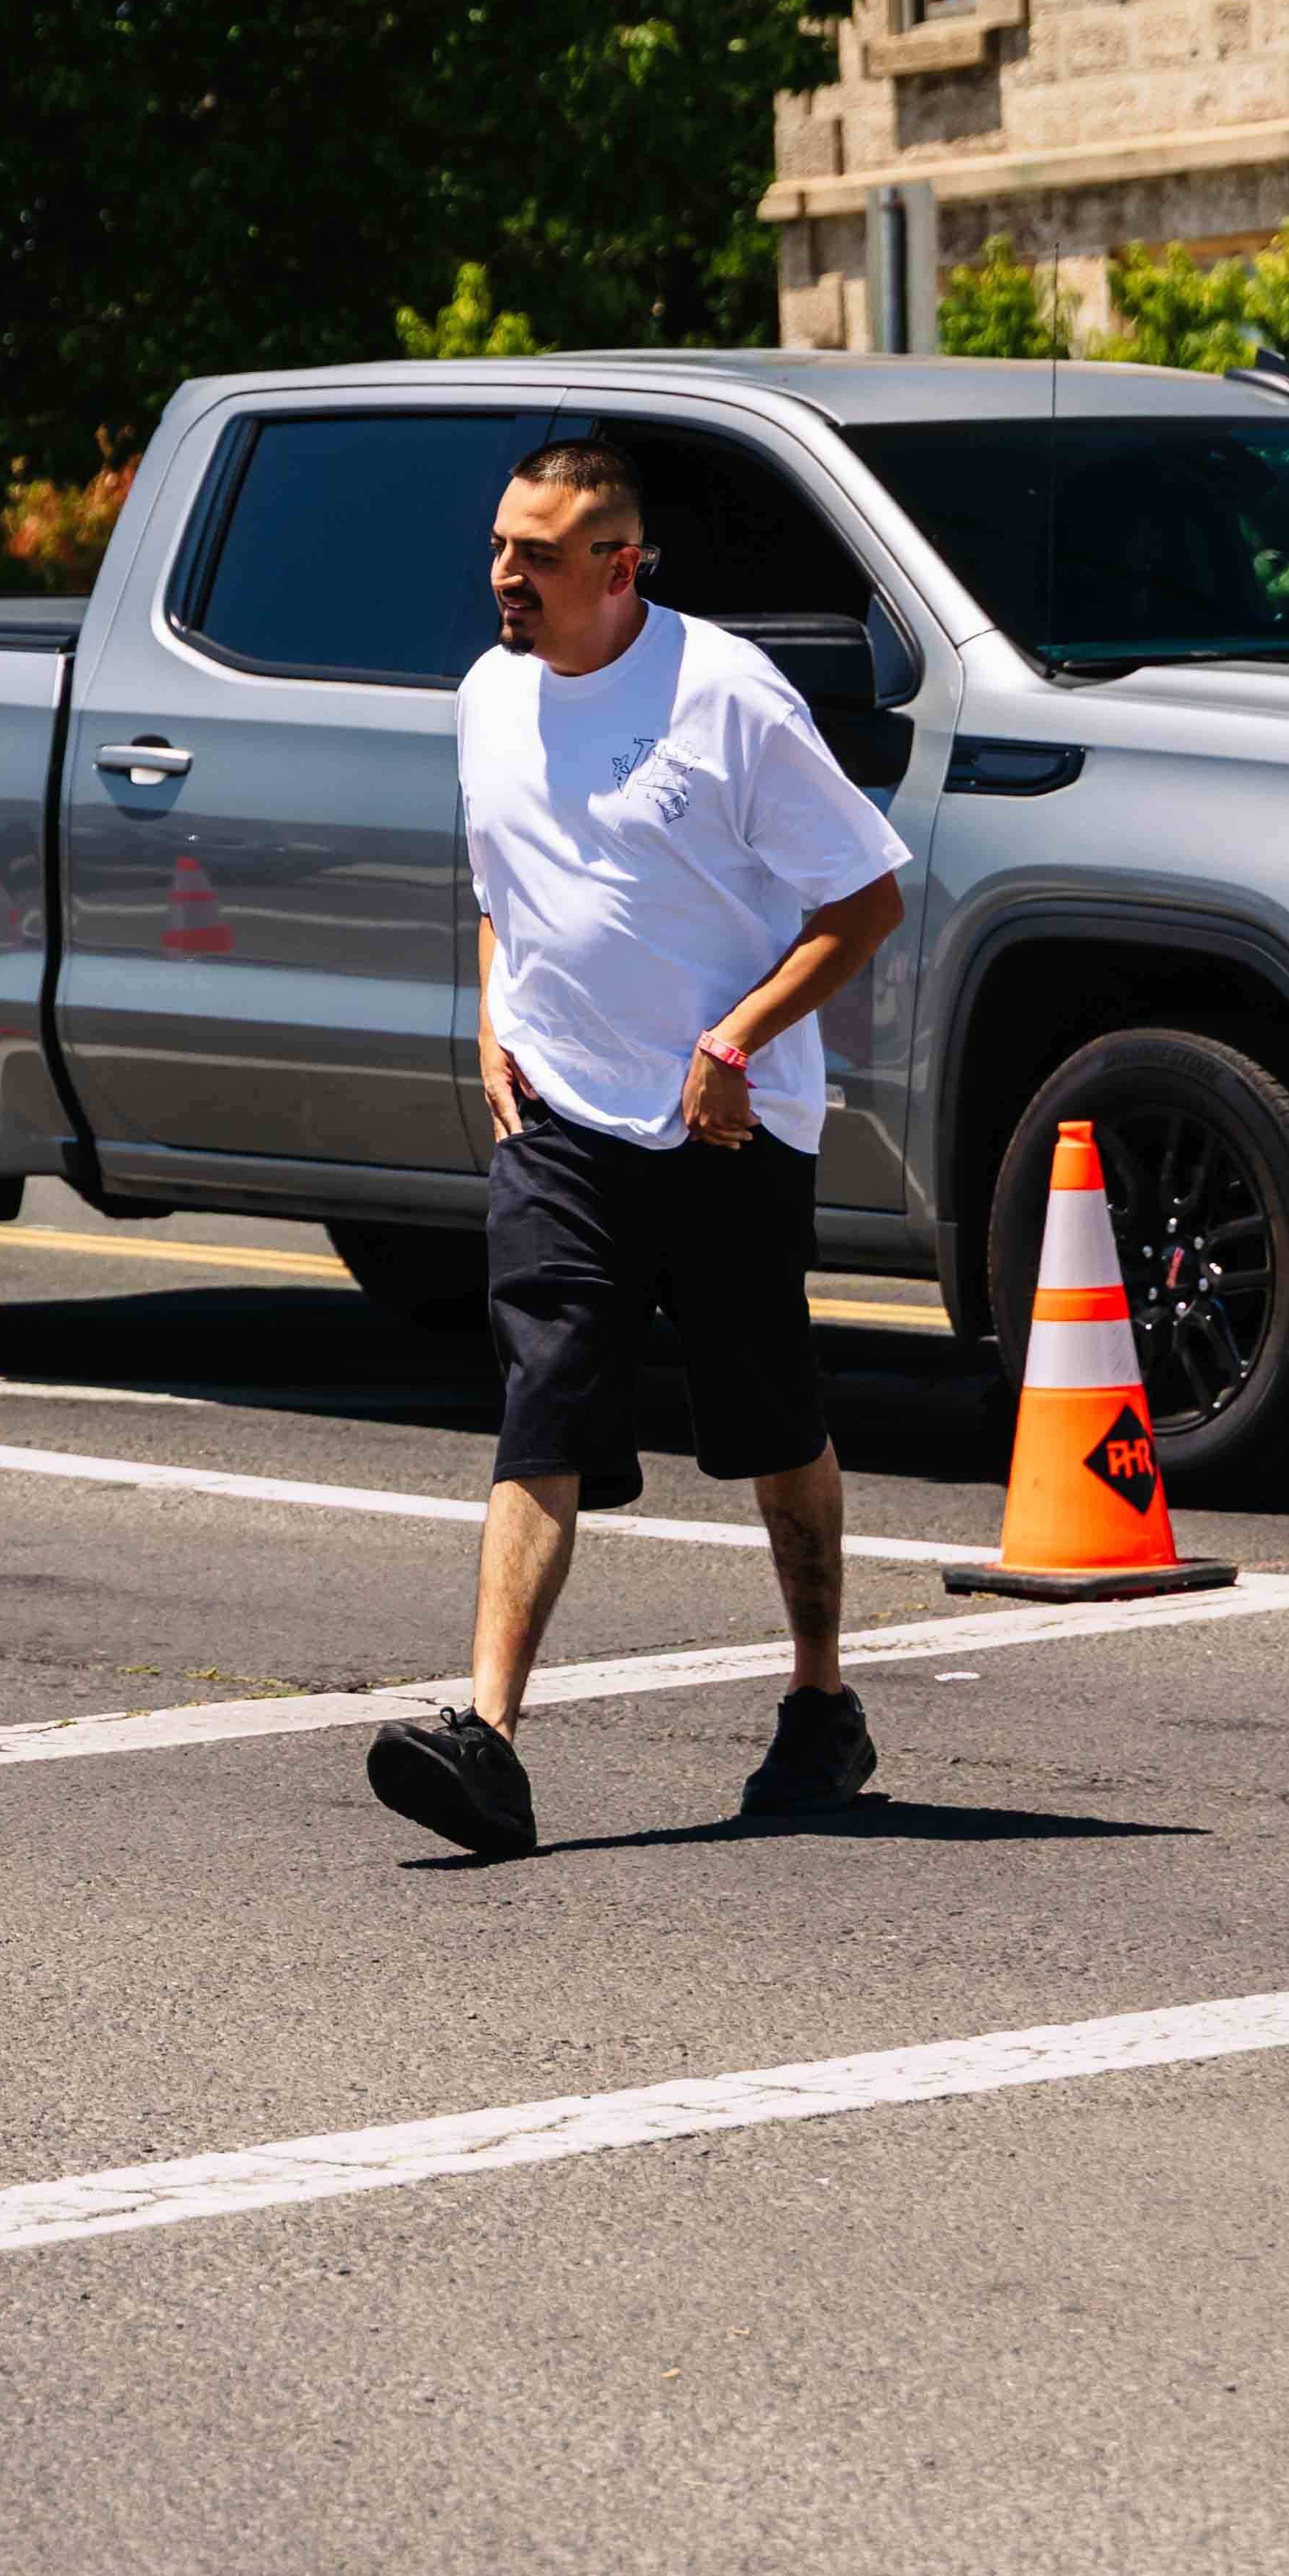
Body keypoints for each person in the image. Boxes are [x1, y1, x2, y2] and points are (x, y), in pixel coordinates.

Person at [366, 438, 913, 1861]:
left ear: (618, 567)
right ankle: (487, 1736)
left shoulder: (724, 699)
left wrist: (736, 1040)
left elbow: (864, 901)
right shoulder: (490, 696)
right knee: (545, 1386)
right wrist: (496, 1014)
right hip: (560, 1123)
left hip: (723, 1126)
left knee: (768, 1421)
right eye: (498, 547)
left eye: (535, 556)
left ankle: (819, 1701)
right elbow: (503, 877)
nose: (503, 577)